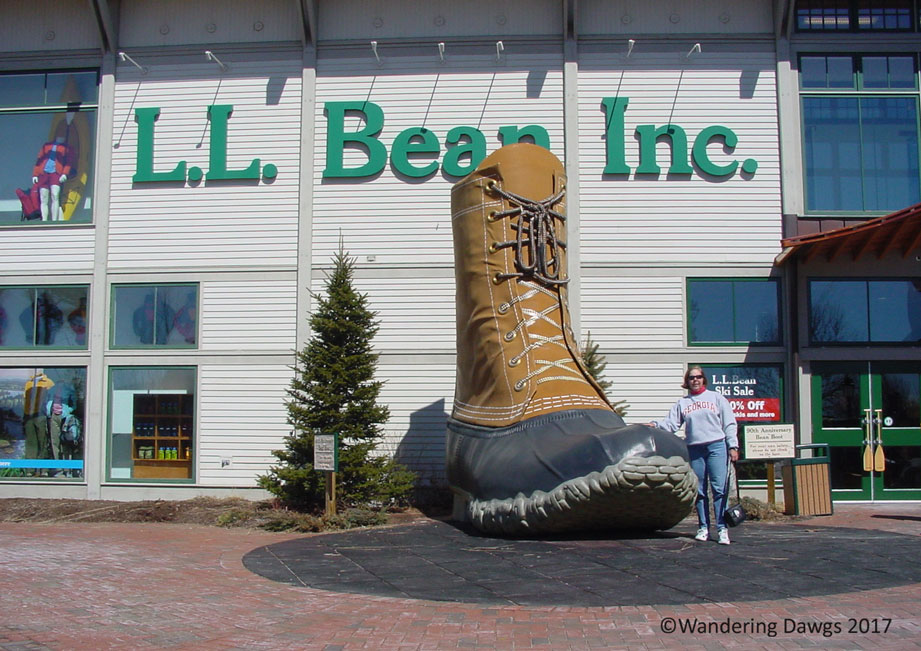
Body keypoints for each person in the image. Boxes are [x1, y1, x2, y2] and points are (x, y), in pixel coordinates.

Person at [648, 366, 739, 544]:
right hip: (695, 448)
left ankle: (722, 528)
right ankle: (703, 527)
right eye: (691, 378)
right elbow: (671, 424)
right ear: (687, 382)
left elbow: (729, 423)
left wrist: (732, 445)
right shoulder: (683, 403)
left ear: (703, 379)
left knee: (719, 489)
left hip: (716, 446)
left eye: (698, 377)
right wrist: (655, 424)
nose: (695, 380)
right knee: (700, 491)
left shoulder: (716, 398)